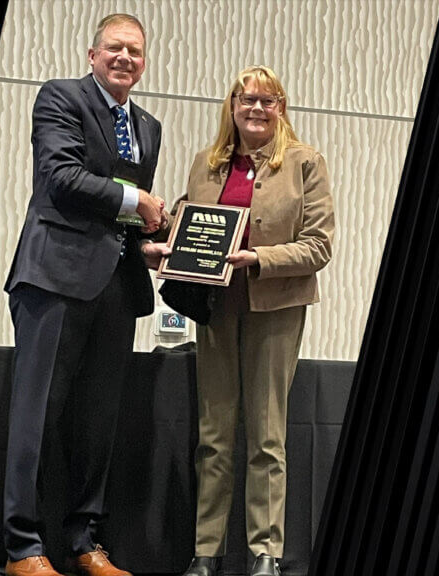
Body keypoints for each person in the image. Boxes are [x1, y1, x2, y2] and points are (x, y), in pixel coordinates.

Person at [2, 13, 169, 576]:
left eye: (136, 52)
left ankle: (83, 542)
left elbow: (121, 220)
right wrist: (137, 200)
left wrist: (146, 241)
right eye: (115, 48)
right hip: (53, 278)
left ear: (144, 64)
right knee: (38, 415)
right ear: (93, 54)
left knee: (97, 424)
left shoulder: (148, 124)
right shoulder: (60, 98)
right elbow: (60, 177)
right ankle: (23, 547)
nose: (125, 58)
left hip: (118, 288)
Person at [172, 66, 334, 576]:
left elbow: (320, 245)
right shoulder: (207, 162)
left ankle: (266, 553)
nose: (257, 108)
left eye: (268, 100)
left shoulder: (305, 163)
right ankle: (206, 551)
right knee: (213, 434)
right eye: (248, 99)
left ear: (281, 108)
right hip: (216, 308)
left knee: (267, 437)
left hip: (275, 310)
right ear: (233, 106)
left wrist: (259, 260)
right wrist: (164, 245)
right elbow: (188, 224)